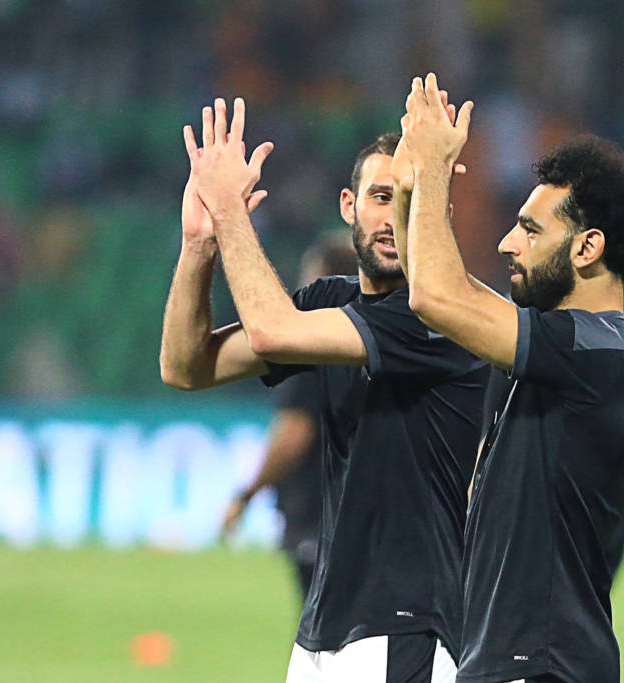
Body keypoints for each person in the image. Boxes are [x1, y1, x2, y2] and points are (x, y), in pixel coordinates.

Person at [160, 96, 488, 682]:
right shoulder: (331, 301)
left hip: (406, 629)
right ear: (348, 206)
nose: (392, 217)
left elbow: (270, 330)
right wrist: (199, 245)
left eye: (409, 198)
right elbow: (186, 366)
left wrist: (231, 212)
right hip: (323, 633)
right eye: (380, 196)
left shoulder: (437, 319)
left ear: (434, 212)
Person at [391, 74, 624, 683]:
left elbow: (437, 297)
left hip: (540, 662)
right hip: (518, 659)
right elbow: (435, 291)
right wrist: (411, 190)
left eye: (531, 229)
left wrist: (435, 171)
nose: (506, 242)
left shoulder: (599, 351)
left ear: (587, 248)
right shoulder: (564, 346)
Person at [220, 235, 356, 603]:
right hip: (363, 514)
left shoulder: (312, 347)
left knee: (325, 627)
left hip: (317, 510)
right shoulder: (375, 341)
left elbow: (295, 434)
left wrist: (247, 495)